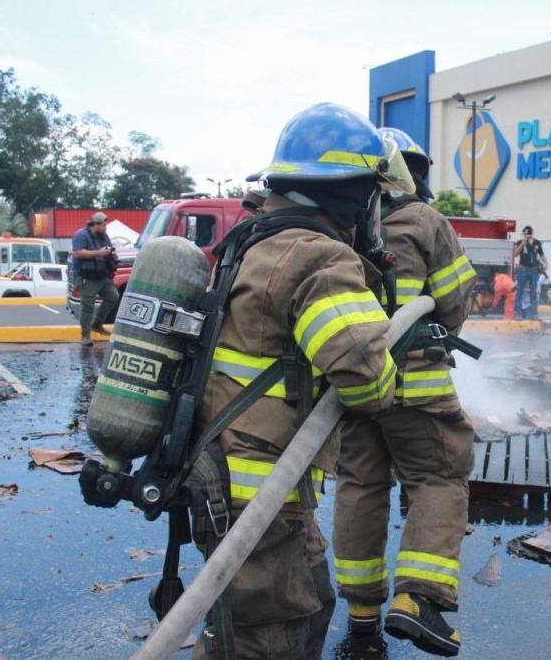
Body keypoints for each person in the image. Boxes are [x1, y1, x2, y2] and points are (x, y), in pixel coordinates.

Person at [193, 104, 412, 658]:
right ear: (350, 194)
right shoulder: (317, 257)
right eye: (372, 196)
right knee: (267, 635)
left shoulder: (249, 242)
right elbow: (367, 381)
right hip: (256, 490)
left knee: (307, 598)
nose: (374, 211)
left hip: (225, 474)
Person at [334, 127, 476, 657]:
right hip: (416, 386)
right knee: (438, 477)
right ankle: (418, 599)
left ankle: (363, 613)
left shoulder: (339, 226)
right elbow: (455, 303)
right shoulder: (425, 220)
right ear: (408, 170)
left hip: (349, 388)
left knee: (360, 486)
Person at [71, 212, 119, 346]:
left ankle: (97, 324)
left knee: (113, 297)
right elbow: (78, 252)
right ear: (95, 224)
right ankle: (85, 335)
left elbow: (109, 249)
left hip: (102, 275)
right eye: (103, 225)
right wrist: (99, 252)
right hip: (86, 276)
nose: (105, 228)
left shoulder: (103, 236)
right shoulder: (81, 235)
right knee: (88, 305)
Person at [513, 225, 547, 320]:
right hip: (523, 269)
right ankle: (518, 313)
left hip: (534, 270)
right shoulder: (520, 242)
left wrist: (546, 263)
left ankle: (534, 313)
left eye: (527, 234)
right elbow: (515, 254)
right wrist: (521, 245)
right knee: (519, 291)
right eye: (524, 234)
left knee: (533, 292)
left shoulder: (537, 243)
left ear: (531, 234)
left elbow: (541, 254)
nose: (526, 236)